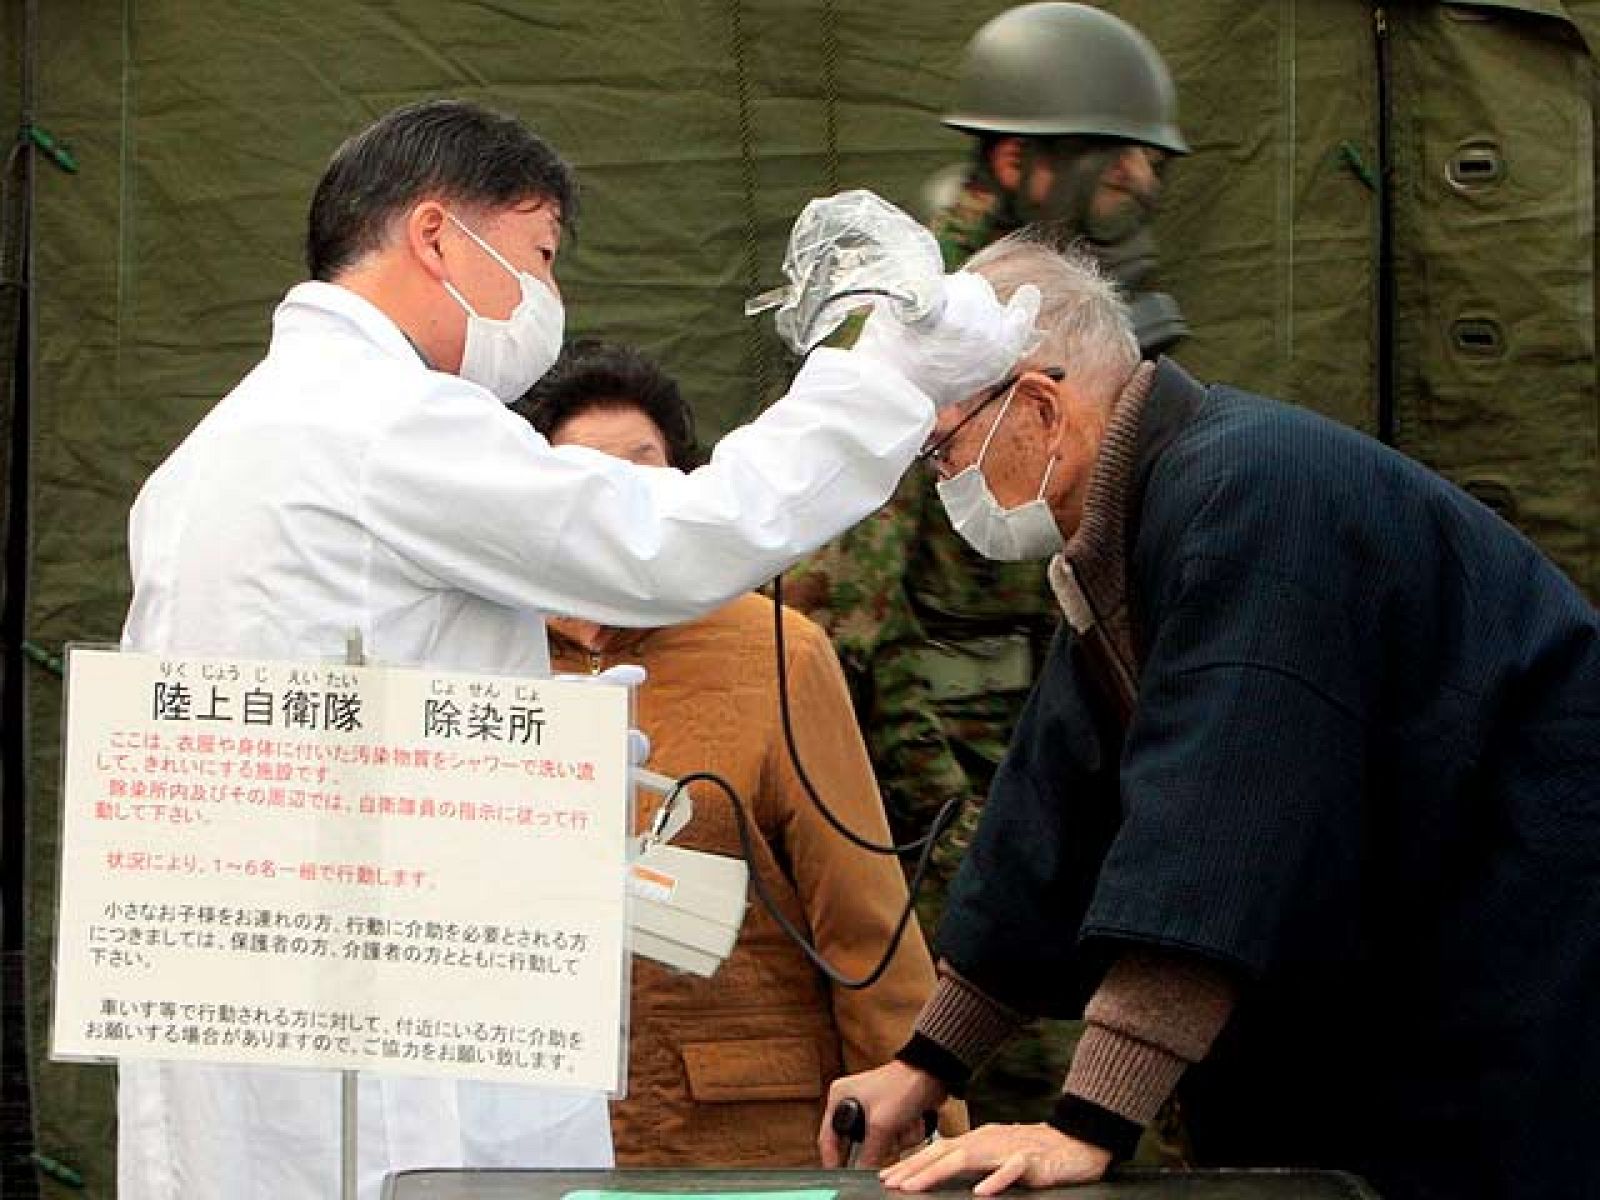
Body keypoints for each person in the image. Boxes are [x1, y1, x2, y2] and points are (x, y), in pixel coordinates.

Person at [117, 99, 1036, 1200]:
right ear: (434, 234)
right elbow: (675, 537)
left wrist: (522, 780)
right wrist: (889, 370)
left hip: (255, 1027)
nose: (547, 297)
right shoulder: (381, 425)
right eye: (539, 255)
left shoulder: (208, 458)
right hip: (378, 1054)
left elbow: (305, 742)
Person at [818, 235, 1600, 1200]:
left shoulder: (1253, 494)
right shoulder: (1129, 525)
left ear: (1040, 406)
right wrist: (927, 1062)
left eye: (942, 449)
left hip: (1512, 940)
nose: (942, 483)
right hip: (1402, 951)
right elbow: (1058, 811)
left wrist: (1087, 1122)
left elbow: (1222, 820)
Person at [785, 2, 1189, 1127]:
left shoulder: (1059, 306)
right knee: (1022, 1100)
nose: (1142, 185)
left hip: (1057, 762)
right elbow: (844, 619)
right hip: (961, 795)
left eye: (1148, 162)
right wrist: (956, 829)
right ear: (1019, 161)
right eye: (1116, 161)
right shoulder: (924, 329)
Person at [517, 340, 966, 1165]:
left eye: (644, 468)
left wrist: (924, 1126)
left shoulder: (775, 651)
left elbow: (863, 920)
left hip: (742, 1134)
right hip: (531, 1131)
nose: (620, 496)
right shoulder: (483, 652)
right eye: (585, 476)